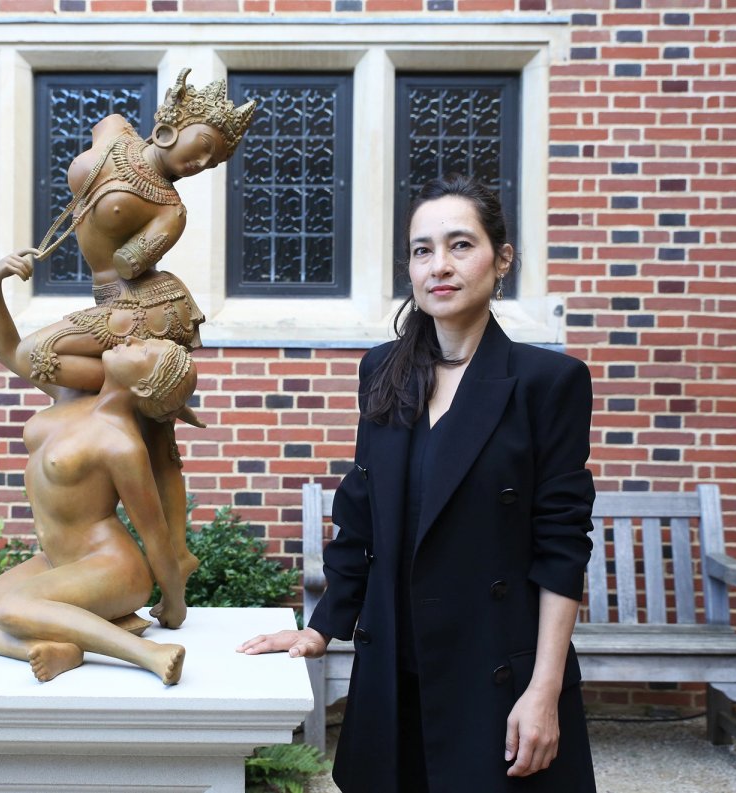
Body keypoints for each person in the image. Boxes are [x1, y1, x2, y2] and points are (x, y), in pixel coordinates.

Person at [238, 176, 597, 791]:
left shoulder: (549, 382)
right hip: (395, 667)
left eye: (461, 245)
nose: (441, 266)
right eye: (423, 250)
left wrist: (546, 689)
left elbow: (561, 547)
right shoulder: (385, 368)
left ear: (501, 258)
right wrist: (322, 625)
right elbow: (362, 513)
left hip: (497, 673)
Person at [0, 335, 200, 685]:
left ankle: (151, 654)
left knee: (10, 609)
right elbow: (11, 350)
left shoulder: (122, 444)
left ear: (142, 386)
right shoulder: (70, 397)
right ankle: (62, 649)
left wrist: (174, 601)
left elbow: (154, 533)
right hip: (59, 559)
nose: (131, 339)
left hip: (112, 567)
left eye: (142, 349)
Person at [16, 67, 256, 393]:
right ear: (172, 127)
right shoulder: (116, 130)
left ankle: (133, 395)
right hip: (113, 296)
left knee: (32, 355)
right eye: (203, 146)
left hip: (138, 303)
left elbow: (126, 263)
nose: (202, 164)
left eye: (213, 163)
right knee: (38, 364)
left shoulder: (171, 212)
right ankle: (126, 399)